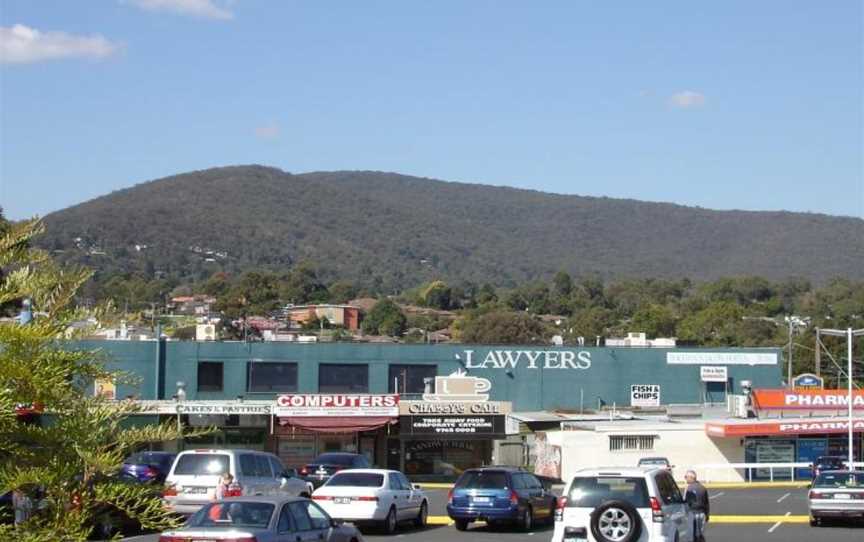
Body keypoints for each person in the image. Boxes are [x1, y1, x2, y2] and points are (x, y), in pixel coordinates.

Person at [684, 470, 709, 542]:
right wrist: (707, 515)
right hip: (702, 514)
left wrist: (685, 514)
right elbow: (706, 503)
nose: (685, 479)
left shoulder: (688, 488)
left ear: (691, 478)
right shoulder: (703, 488)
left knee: (691, 535)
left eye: (686, 477)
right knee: (700, 534)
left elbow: (686, 502)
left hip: (692, 514)